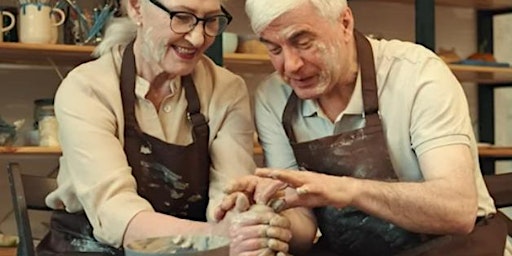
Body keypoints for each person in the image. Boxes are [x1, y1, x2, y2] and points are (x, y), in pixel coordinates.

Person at [215, 0, 512, 255]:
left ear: (344, 22)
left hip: (457, 246)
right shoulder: (273, 97)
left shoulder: (416, 73)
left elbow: (456, 210)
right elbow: (303, 222)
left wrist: (344, 189)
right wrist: (270, 221)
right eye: (273, 49)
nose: (290, 65)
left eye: (303, 42)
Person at [36, 0, 292, 255]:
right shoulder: (87, 88)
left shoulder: (226, 90)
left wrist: (247, 226)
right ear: (136, 8)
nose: (197, 38)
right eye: (182, 17)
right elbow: (115, 213)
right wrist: (217, 236)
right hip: (88, 247)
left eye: (211, 20)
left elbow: (230, 194)